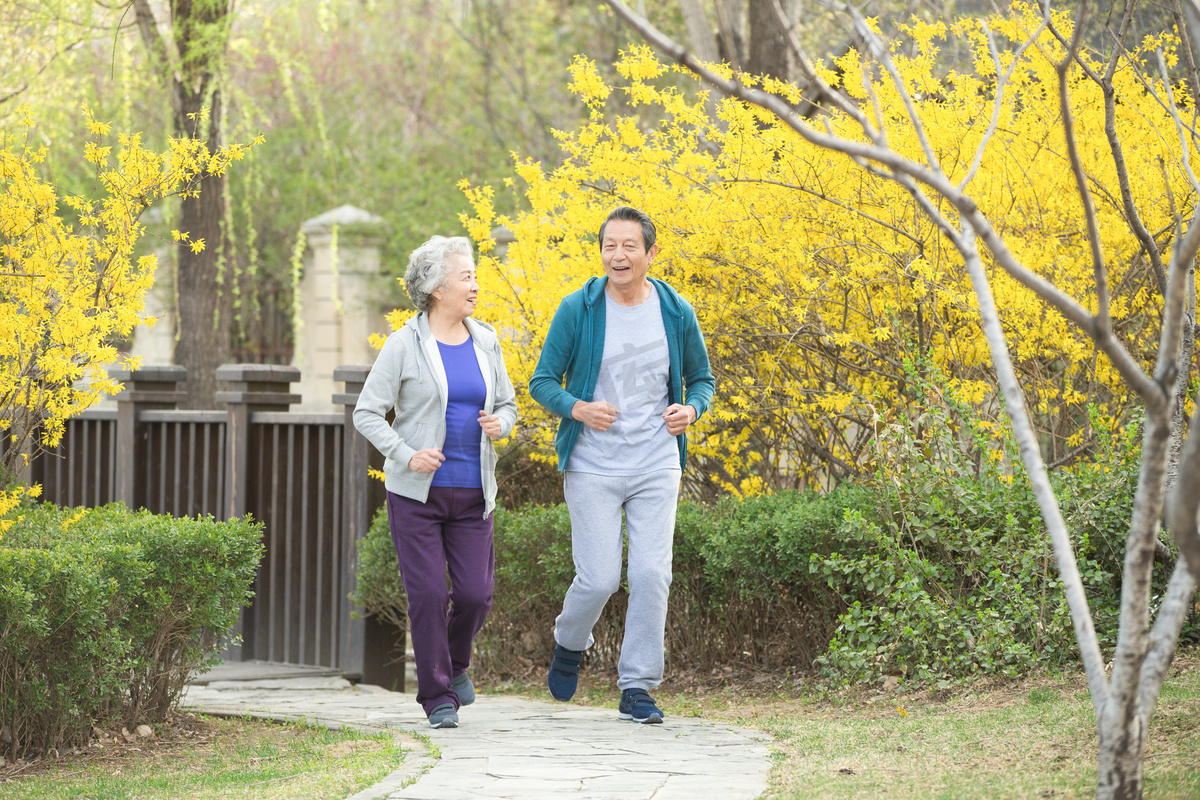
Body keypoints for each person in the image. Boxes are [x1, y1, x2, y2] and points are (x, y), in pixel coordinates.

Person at [529, 206, 715, 724]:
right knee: (599, 579)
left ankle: (637, 687)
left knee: (653, 574)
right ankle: (570, 641)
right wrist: (579, 408)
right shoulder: (579, 309)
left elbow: (702, 380)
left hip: (656, 462)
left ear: (651, 254)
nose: (618, 255)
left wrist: (691, 409)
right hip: (592, 465)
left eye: (629, 246)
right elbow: (542, 382)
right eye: (610, 245)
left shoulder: (676, 311)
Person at [354, 235, 517, 729]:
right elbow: (367, 412)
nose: (475, 285)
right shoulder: (404, 345)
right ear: (436, 288)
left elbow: (509, 405)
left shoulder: (486, 339)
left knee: (474, 596)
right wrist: (405, 453)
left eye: (473, 275)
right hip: (416, 495)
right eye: (466, 276)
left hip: (474, 492)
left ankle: (456, 663)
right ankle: (437, 697)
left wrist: (502, 424)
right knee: (426, 594)